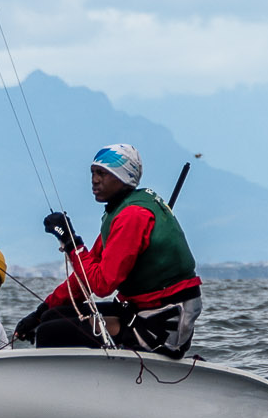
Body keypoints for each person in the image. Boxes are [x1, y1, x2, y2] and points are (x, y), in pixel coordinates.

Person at [13, 144, 204, 357]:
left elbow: (103, 284)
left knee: (49, 333)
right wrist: (39, 313)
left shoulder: (132, 216)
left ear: (123, 176)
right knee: (51, 317)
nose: (94, 180)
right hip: (141, 311)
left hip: (160, 325)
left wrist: (70, 242)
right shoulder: (121, 212)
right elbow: (86, 276)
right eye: (93, 172)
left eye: (102, 173)